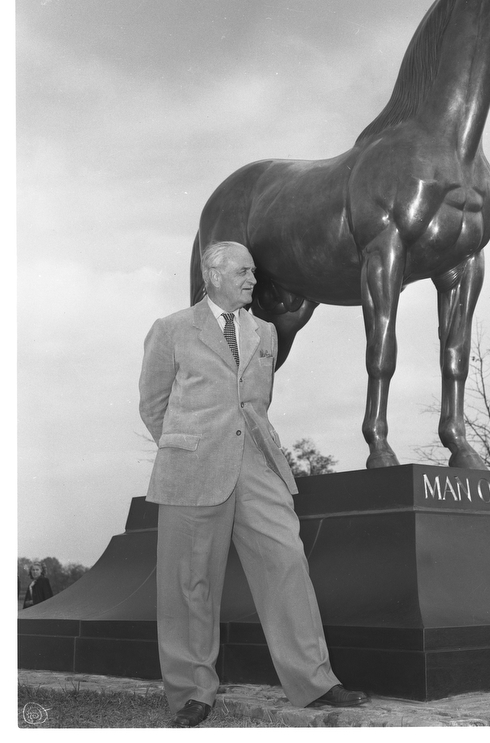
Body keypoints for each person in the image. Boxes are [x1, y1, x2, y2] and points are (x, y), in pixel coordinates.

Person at [139, 241, 366, 727]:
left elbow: (256, 403)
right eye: (243, 271)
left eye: (253, 272)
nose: (252, 280)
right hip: (192, 469)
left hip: (258, 464)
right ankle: (191, 693)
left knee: (287, 562)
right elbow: (153, 404)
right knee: (190, 583)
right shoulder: (171, 329)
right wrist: (187, 448)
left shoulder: (265, 332)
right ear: (213, 273)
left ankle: (314, 681)